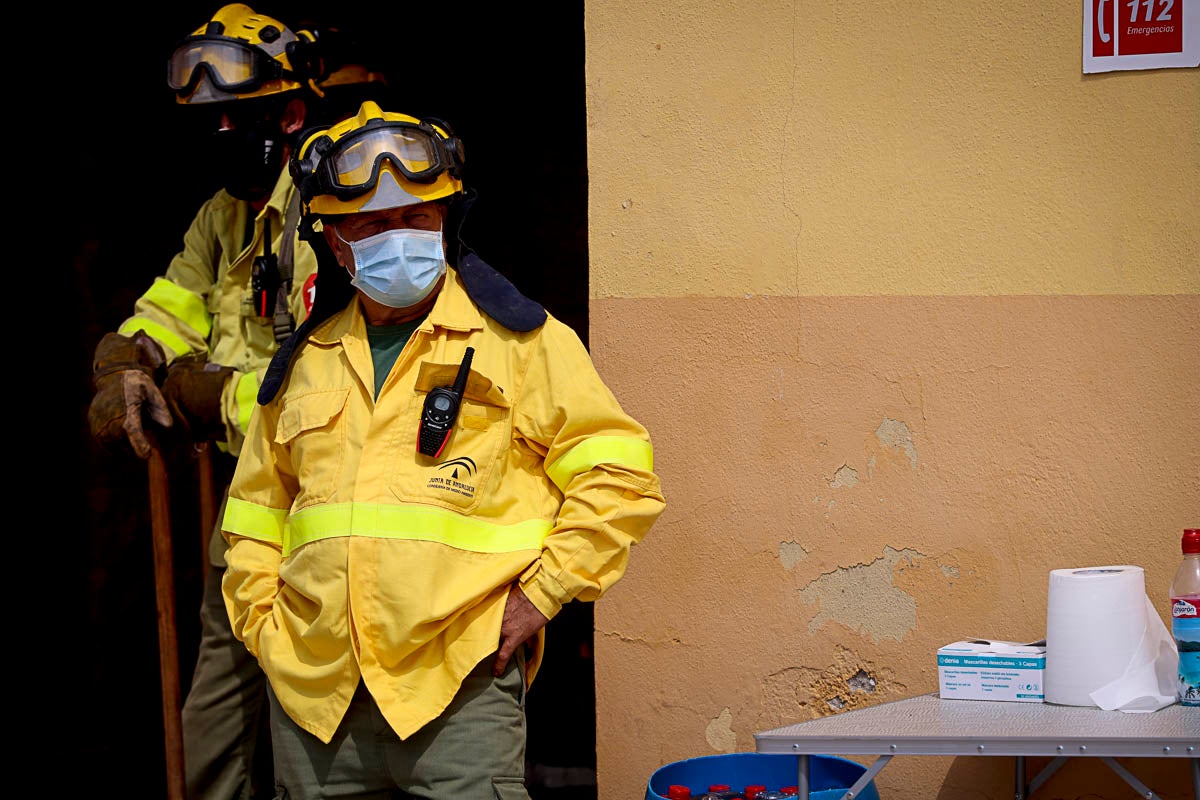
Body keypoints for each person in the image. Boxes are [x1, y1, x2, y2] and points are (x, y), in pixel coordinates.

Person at [219, 100, 667, 799]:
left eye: (416, 217)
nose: (398, 237)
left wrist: (544, 593)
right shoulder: (303, 362)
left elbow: (619, 475)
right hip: (313, 700)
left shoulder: (522, 342)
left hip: (459, 690)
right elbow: (254, 513)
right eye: (373, 225)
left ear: (445, 219)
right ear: (334, 241)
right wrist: (263, 629)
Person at [86, 5, 385, 798]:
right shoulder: (222, 216)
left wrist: (207, 394)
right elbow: (169, 310)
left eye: (235, 118)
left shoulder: (335, 207)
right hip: (249, 502)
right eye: (205, 121)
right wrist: (124, 363)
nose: (218, 135)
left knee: (311, 726)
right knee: (212, 724)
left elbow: (328, 387)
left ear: (288, 115)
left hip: (334, 501)